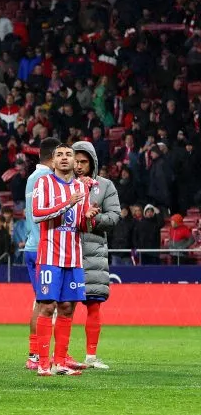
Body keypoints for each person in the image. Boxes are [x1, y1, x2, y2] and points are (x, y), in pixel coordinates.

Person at [31, 144, 100, 376]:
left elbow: (82, 225)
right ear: (52, 161)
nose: (64, 158)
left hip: (74, 257)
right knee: (47, 306)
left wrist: (87, 217)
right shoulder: (44, 183)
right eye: (59, 155)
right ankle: (43, 364)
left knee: (68, 308)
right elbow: (37, 214)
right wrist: (68, 203)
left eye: (68, 155)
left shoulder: (81, 186)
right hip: (50, 255)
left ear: (74, 161)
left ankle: (59, 362)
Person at [72, 141, 120, 370]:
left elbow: (114, 217)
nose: (79, 166)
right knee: (64, 306)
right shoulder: (63, 185)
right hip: (67, 251)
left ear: (92, 163)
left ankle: (91, 356)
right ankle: (61, 356)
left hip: (94, 254)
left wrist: (93, 218)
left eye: (84, 161)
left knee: (94, 305)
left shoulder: (105, 186)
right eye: (76, 161)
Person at [23, 136, 60, 370]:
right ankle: (37, 355)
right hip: (44, 248)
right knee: (47, 304)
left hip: (32, 245)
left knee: (41, 301)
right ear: (54, 156)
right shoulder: (48, 178)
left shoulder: (32, 178)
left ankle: (35, 353)